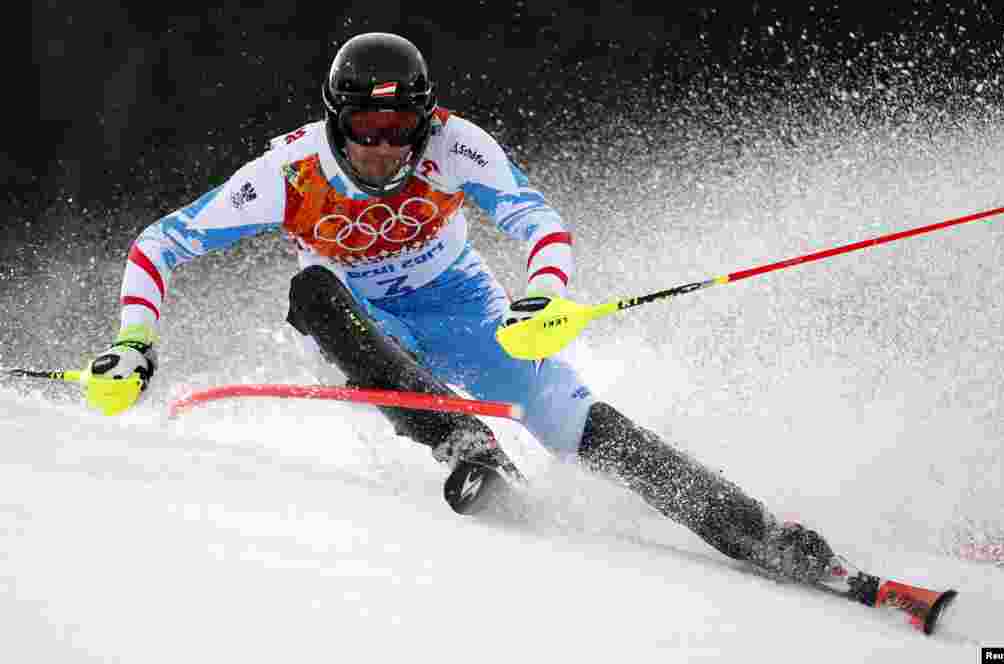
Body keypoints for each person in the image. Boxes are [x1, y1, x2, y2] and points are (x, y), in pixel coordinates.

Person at [87, 32, 868, 592]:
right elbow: (160, 243)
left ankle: (756, 533)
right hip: (363, 320)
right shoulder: (287, 171)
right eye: (366, 130)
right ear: (336, 121)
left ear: (426, 121)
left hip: (463, 303)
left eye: (401, 131)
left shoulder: (457, 145)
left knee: (578, 420)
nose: (385, 151)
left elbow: (541, 221)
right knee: (311, 293)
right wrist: (134, 342)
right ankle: (464, 439)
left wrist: (547, 295)